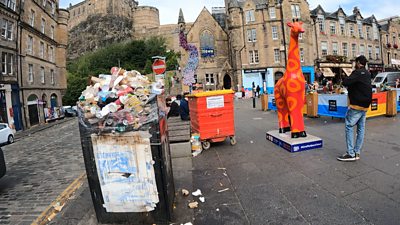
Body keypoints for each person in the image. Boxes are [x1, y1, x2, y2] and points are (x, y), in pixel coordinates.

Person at [337, 55, 372, 162]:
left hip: (356, 104)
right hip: (366, 105)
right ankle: (357, 151)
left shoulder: (357, 72)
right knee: (361, 129)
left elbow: (346, 82)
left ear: (357, 63)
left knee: (349, 126)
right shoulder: (367, 73)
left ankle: (350, 153)